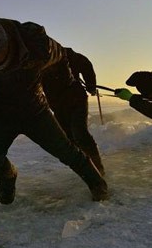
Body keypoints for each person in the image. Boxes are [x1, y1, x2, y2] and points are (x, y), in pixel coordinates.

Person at [0, 11, 108, 204]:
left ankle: (98, 184)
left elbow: (63, 56)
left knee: (67, 151)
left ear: (3, 44)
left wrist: (66, 85)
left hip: (35, 111)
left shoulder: (37, 44)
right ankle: (8, 176)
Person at [42, 47, 105, 175]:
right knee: (68, 138)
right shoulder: (31, 61)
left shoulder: (62, 52)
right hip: (57, 105)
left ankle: (98, 168)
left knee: (80, 132)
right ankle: (86, 168)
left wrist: (91, 85)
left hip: (76, 100)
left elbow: (85, 64)